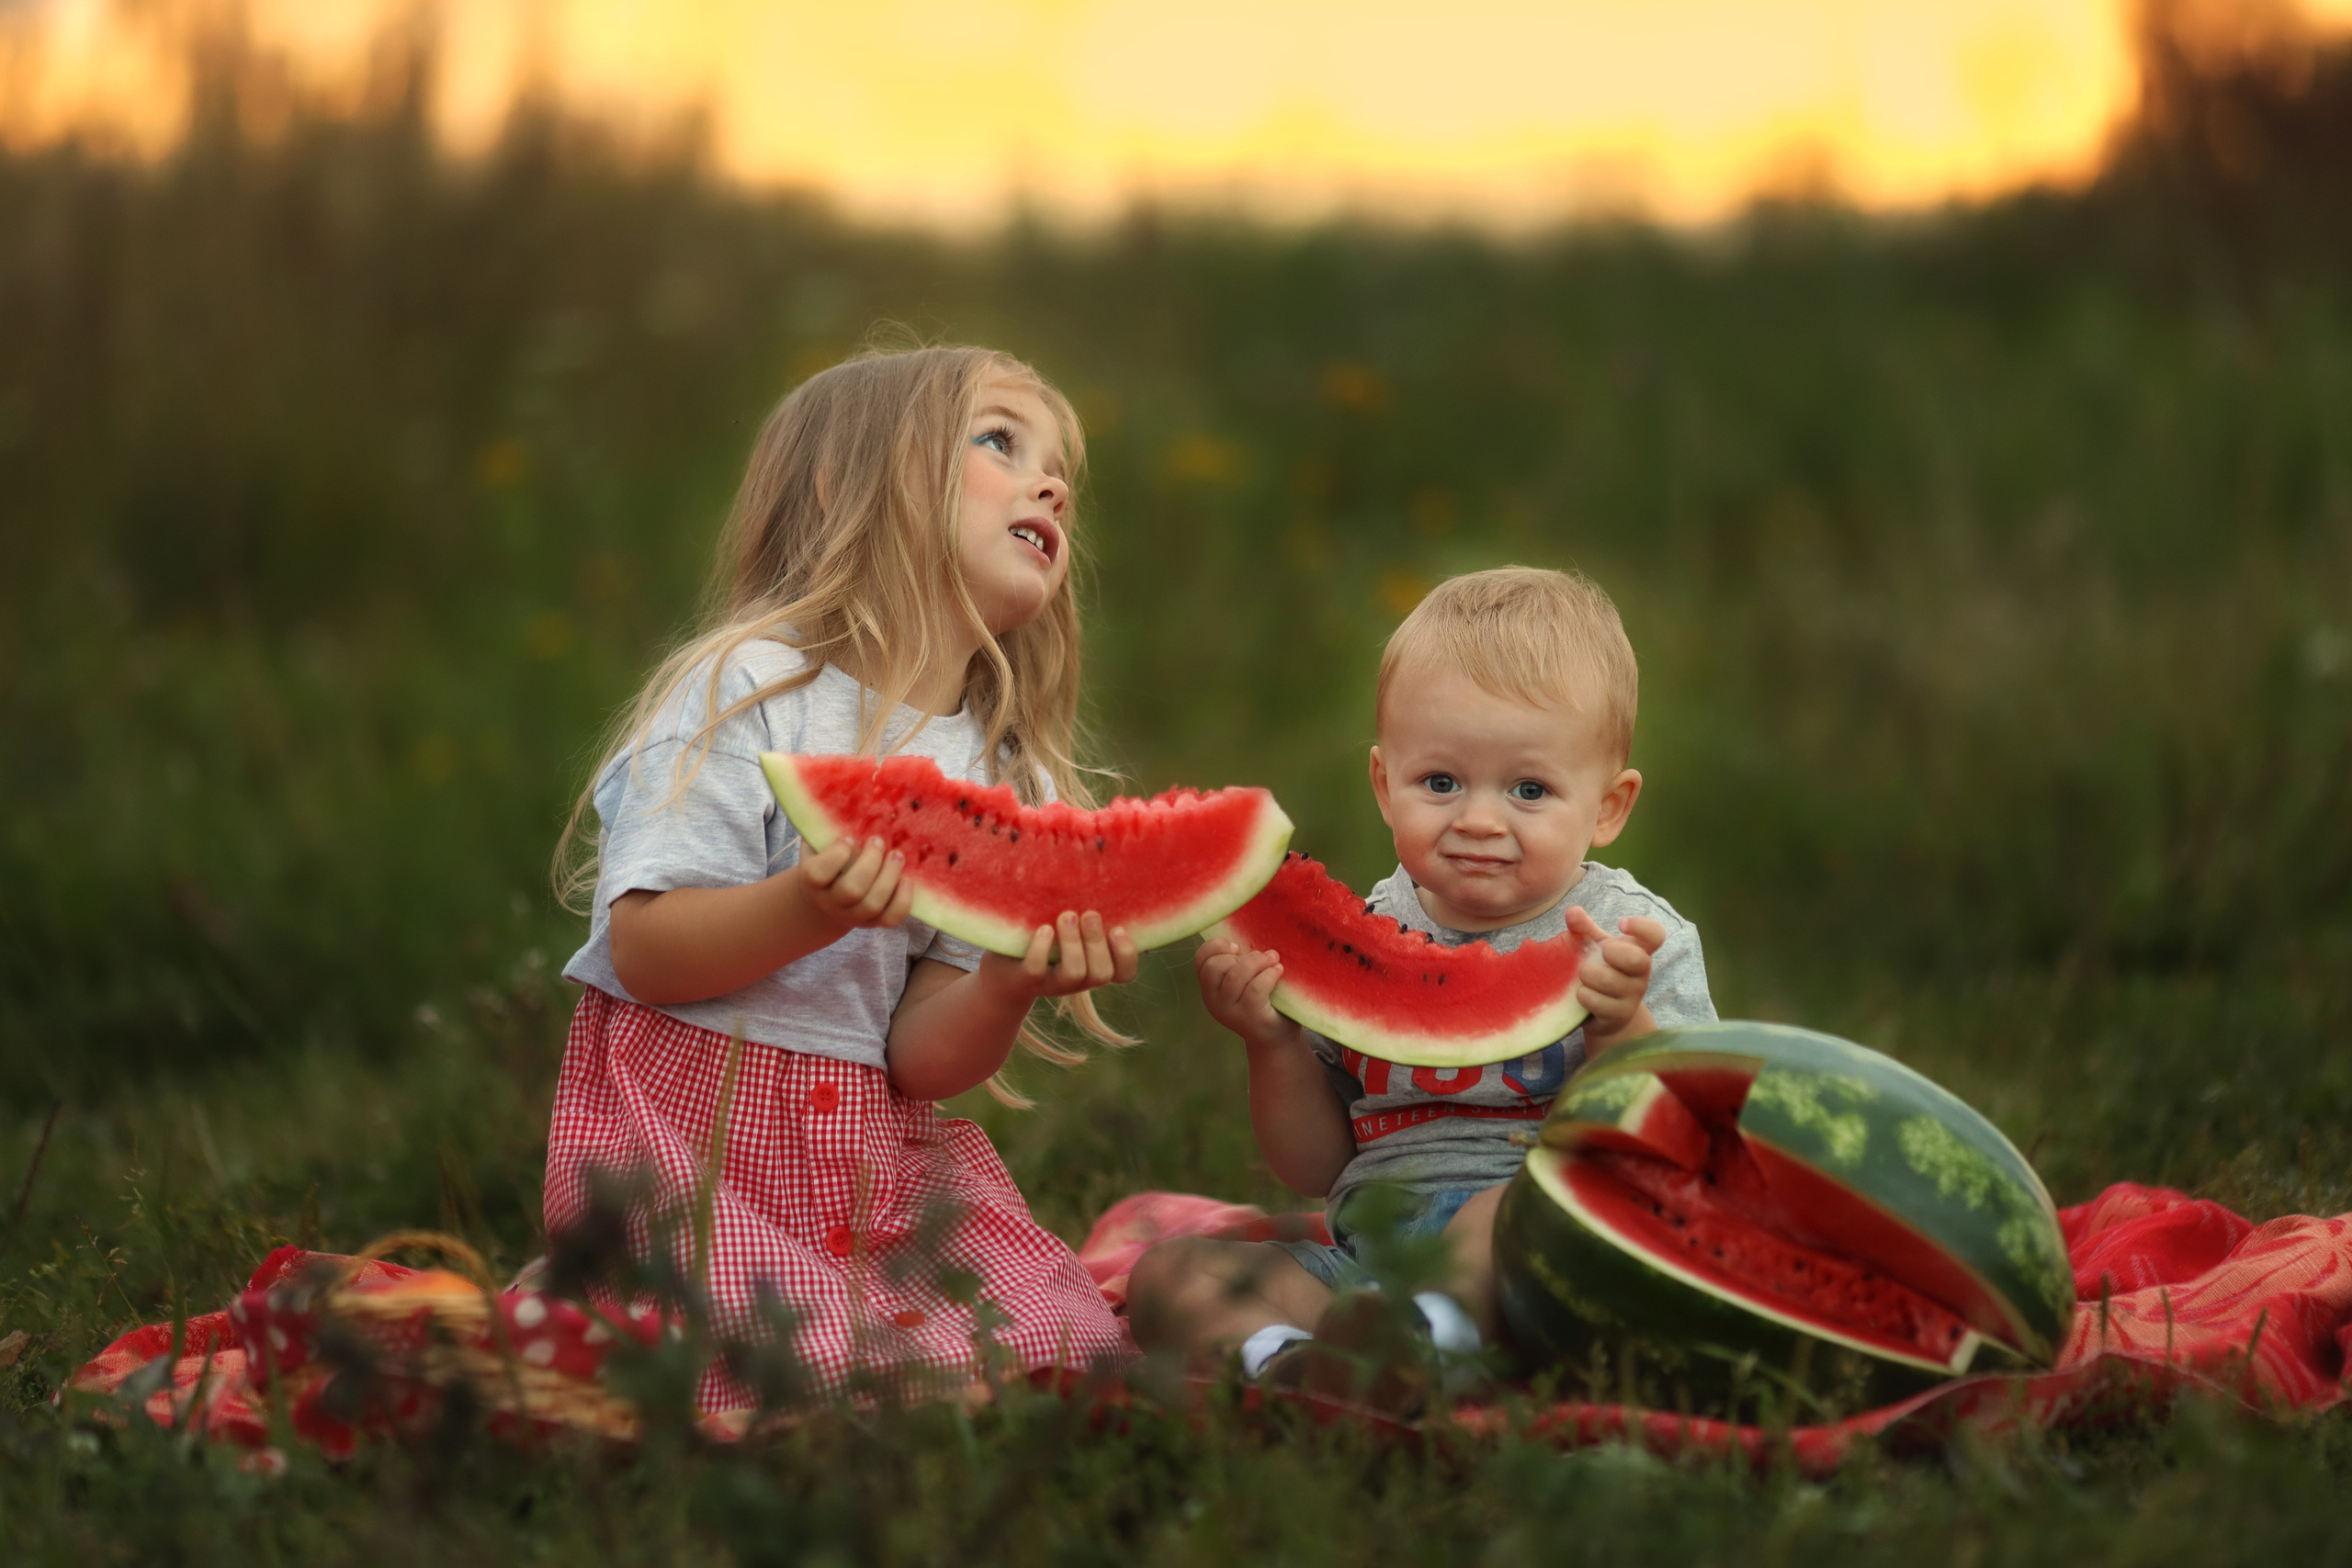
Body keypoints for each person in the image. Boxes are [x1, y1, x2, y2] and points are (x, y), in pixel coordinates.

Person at [547, 344, 1136, 1408]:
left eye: (1061, 475)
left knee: (1059, 1346)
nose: (1050, 485)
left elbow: (919, 1059)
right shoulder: (746, 688)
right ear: (844, 486)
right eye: (999, 442)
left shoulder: (1009, 773)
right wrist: (802, 906)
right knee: (799, 1373)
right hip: (695, 1146)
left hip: (872, 1161)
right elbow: (646, 948)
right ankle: (596, 1290)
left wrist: (1004, 980)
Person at [1125, 566, 1716, 1401]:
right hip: (1362, 1264)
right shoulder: (1366, 938)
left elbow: (1681, 1142)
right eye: (1440, 782)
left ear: (1609, 806)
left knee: (1496, 1221)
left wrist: (1621, 1026)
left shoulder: (1632, 939)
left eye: (1529, 789)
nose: (1478, 819)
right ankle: (1292, 1365)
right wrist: (1272, 1042)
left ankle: (1426, 1346)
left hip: (1541, 1248)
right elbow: (1316, 1163)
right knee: (1170, 1276)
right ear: (1383, 784)